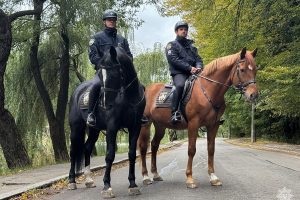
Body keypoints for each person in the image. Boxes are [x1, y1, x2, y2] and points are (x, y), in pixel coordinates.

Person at [86, 9, 132, 127]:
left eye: (113, 20)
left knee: (137, 86)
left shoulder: (122, 39)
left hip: (120, 72)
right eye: (109, 20)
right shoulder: (96, 38)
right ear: (104, 22)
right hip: (103, 71)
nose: (111, 22)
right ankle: (91, 113)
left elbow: (129, 55)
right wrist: (103, 65)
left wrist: (126, 64)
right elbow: (93, 56)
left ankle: (138, 113)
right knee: (96, 85)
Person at [165, 21, 204, 124]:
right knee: (180, 85)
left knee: (206, 85)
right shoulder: (171, 45)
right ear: (176, 32)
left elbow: (198, 59)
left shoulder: (192, 47)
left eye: (185, 29)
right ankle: (175, 112)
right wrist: (189, 68)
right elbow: (173, 59)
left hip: (194, 73)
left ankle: (207, 114)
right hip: (179, 73)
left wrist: (199, 67)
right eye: (181, 29)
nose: (184, 31)